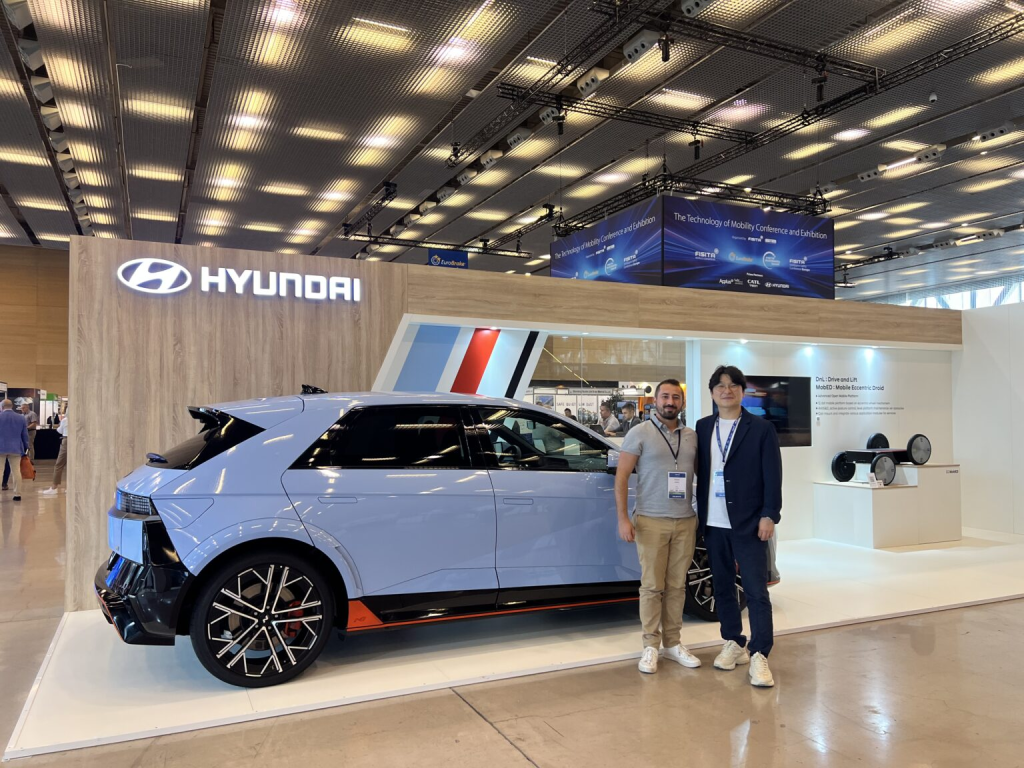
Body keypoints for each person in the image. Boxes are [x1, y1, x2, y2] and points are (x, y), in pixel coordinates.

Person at [695, 365, 782, 688]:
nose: (727, 390)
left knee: (756, 591)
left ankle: (760, 653)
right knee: (722, 586)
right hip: (713, 520)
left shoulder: (761, 429)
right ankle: (733, 640)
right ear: (712, 392)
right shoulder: (703, 427)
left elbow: (773, 474)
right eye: (720, 385)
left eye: (733, 385)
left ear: (742, 391)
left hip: (748, 522)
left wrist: (769, 514)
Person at [615, 379, 701, 674]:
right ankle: (650, 646)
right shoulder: (639, 432)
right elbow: (622, 477)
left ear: (682, 403)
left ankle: (673, 643)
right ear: (655, 400)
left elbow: (702, 476)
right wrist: (623, 518)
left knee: (677, 586)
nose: (670, 402)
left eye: (676, 397)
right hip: (650, 521)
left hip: (685, 520)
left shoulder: (691, 436)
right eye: (665, 396)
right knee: (652, 587)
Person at [0, 399, 29, 502]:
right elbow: (25, 434)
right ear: (12, 406)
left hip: (1, 448)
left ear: (2, 407)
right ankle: (17, 494)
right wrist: (26, 447)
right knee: (16, 471)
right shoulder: (21, 418)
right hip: (16, 448)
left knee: (0, 471)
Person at [42, 408, 68, 496]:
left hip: (66, 440)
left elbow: (59, 431)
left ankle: (54, 487)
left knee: (59, 464)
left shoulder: (65, 420)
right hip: (77, 441)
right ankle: (70, 487)